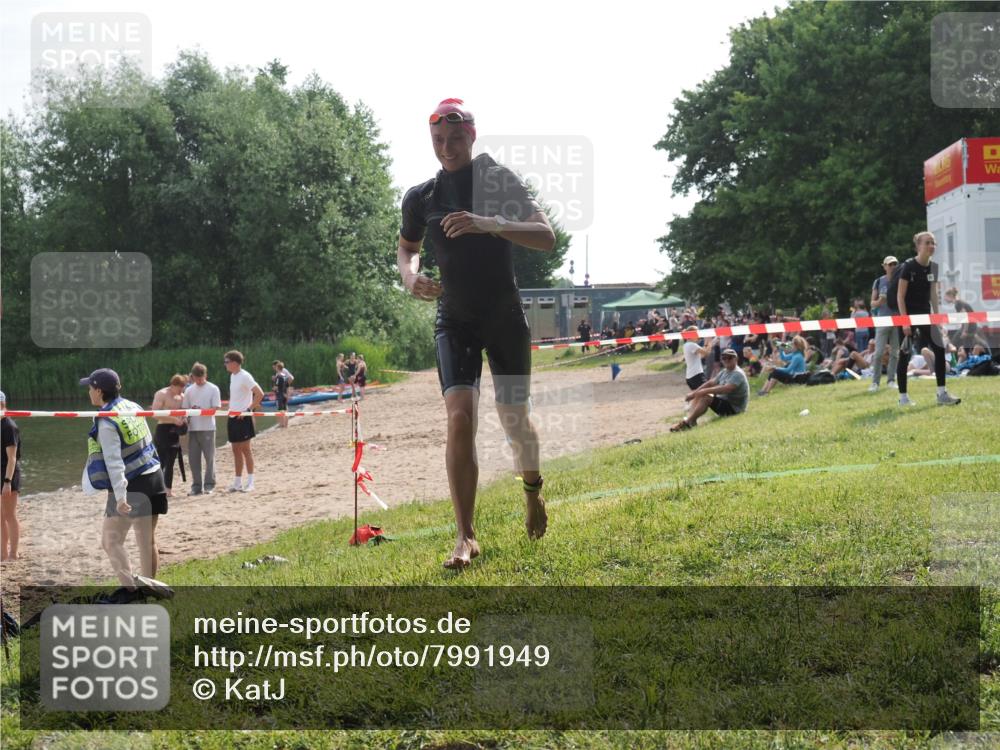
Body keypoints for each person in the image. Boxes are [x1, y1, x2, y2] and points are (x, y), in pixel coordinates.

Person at [397, 97, 556, 568]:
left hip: (503, 313)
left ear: (472, 135)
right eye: (438, 141)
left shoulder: (497, 180)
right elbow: (408, 249)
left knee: (514, 419)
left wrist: (491, 224)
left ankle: (532, 492)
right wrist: (410, 277)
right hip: (455, 317)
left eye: (455, 138)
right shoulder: (421, 196)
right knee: (459, 416)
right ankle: (465, 536)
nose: (447, 148)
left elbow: (545, 236)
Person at [80, 368, 167, 589]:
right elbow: (149, 442)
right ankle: (150, 592)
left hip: (132, 485)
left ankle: (132, 589)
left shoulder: (107, 420)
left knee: (111, 541)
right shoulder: (132, 406)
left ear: (99, 391)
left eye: (90, 388)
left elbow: (114, 462)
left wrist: (120, 497)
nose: (88, 392)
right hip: (154, 477)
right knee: (147, 542)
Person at [893, 232, 961, 407]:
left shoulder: (934, 267)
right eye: (928, 243)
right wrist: (905, 321)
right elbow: (900, 296)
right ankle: (903, 397)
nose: (932, 246)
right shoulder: (908, 266)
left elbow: (932, 294)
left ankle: (941, 394)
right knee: (904, 355)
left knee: (939, 349)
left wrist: (937, 319)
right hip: (907, 314)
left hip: (926, 315)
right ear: (918, 246)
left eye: (933, 243)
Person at [670, 349, 749, 431]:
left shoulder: (737, 374)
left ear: (736, 359)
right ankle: (690, 419)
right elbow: (710, 383)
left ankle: (688, 422)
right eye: (724, 358)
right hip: (727, 404)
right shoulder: (724, 372)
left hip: (735, 409)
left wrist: (704, 391)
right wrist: (694, 394)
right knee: (701, 394)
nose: (727, 360)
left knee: (706, 397)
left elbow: (726, 389)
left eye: (730, 358)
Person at [224, 350, 265, 491]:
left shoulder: (245, 376)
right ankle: (237, 482)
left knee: (246, 450)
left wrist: (248, 410)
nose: (225, 364)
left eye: (227, 362)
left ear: (235, 363)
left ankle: (251, 482)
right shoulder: (233, 376)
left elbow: (260, 394)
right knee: (235, 450)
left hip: (243, 418)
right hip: (232, 417)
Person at [182, 362, 221, 495]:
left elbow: (215, 408)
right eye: (196, 378)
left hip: (208, 427)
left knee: (209, 457)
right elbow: (185, 409)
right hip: (193, 428)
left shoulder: (213, 388)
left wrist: (202, 411)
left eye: (201, 377)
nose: (199, 380)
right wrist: (185, 419)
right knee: (193, 459)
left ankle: (209, 485)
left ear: (205, 375)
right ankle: (196, 486)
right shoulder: (189, 390)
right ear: (192, 377)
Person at [151, 375, 187, 497]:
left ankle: (168, 490)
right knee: (160, 461)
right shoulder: (161, 394)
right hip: (163, 429)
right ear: (173, 385)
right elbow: (155, 414)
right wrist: (172, 419)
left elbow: (184, 411)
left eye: (183, 388)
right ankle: (155, 488)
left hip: (175, 430)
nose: (181, 391)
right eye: (180, 388)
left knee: (171, 462)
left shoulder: (182, 396)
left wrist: (183, 420)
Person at [869, 256, 900, 392]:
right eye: (890, 264)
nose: (892, 266)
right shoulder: (878, 281)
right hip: (882, 320)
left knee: (895, 352)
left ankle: (891, 380)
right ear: (884, 266)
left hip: (898, 319)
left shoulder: (901, 280)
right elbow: (872, 303)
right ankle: (875, 383)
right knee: (879, 352)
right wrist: (879, 302)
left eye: (894, 264)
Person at [1, 391, 22, 562]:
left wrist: (7, 482)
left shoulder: (9, 426)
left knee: (9, 515)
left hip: (9, 474)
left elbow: (12, 458)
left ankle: (13, 554)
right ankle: (2, 553)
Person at [682, 326, 714, 390]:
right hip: (696, 375)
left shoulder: (686, 345)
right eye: (697, 333)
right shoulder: (692, 345)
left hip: (690, 376)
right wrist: (709, 342)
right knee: (708, 394)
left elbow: (701, 356)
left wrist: (706, 343)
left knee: (698, 397)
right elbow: (706, 353)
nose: (698, 336)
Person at [272, 360, 292, 428]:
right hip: (284, 394)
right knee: (286, 409)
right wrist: (287, 394)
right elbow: (287, 385)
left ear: (277, 368)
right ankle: (286, 425)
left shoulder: (278, 376)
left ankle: (281, 424)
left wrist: (273, 388)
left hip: (280, 395)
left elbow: (276, 387)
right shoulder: (284, 376)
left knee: (280, 410)